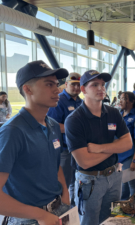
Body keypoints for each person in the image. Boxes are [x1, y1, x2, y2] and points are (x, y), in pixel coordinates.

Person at [0, 60, 70, 225]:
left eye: (56, 84)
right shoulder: (13, 131)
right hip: (29, 218)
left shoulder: (52, 125)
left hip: (58, 208)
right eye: (48, 84)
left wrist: (65, 194)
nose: (57, 90)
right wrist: (41, 215)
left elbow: (55, 164)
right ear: (27, 89)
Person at [65, 70, 132, 225]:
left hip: (115, 176)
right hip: (90, 180)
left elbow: (128, 144)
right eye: (94, 85)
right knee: (89, 221)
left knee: (110, 219)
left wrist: (99, 148)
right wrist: (115, 147)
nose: (101, 88)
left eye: (102, 84)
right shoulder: (74, 120)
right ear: (83, 90)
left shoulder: (113, 113)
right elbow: (85, 162)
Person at [47, 72, 83, 207]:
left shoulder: (80, 101)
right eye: (73, 84)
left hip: (78, 149)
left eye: (79, 85)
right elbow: (53, 125)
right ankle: (61, 209)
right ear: (66, 84)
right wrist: (77, 129)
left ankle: (73, 206)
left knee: (76, 179)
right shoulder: (59, 100)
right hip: (64, 150)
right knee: (64, 182)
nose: (76, 88)